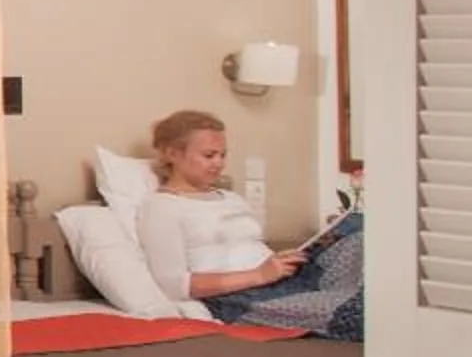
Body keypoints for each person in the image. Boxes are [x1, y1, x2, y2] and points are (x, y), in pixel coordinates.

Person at [133, 108, 362, 339]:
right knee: (366, 313)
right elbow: (173, 285)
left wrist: (282, 260)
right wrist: (259, 275)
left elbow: (248, 247)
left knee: (361, 236)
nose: (219, 163)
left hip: (284, 277)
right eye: (209, 155)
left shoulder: (231, 199)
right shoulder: (161, 207)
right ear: (172, 153)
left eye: (223, 155)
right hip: (243, 296)